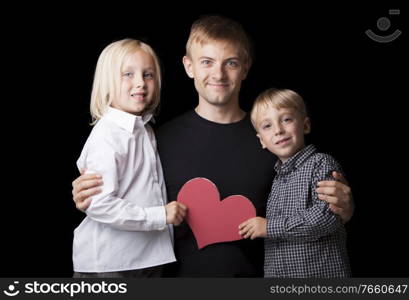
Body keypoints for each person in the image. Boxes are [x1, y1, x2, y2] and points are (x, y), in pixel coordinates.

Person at [72, 16, 354, 277]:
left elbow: (313, 206)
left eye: (230, 62)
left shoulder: (273, 138)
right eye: (207, 61)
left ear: (245, 67)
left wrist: (344, 210)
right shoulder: (155, 139)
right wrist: (88, 194)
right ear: (188, 66)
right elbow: (119, 192)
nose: (218, 74)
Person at [72, 38, 187, 278]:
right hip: (111, 265)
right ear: (108, 81)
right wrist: (160, 215)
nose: (140, 84)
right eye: (128, 74)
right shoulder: (107, 135)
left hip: (147, 259)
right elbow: (99, 203)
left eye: (148, 75)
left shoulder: (146, 129)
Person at [239, 88, 350, 277]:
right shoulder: (276, 181)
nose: (278, 130)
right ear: (262, 141)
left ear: (305, 126)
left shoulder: (321, 163)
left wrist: (269, 227)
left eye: (286, 119)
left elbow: (326, 218)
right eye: (267, 126)